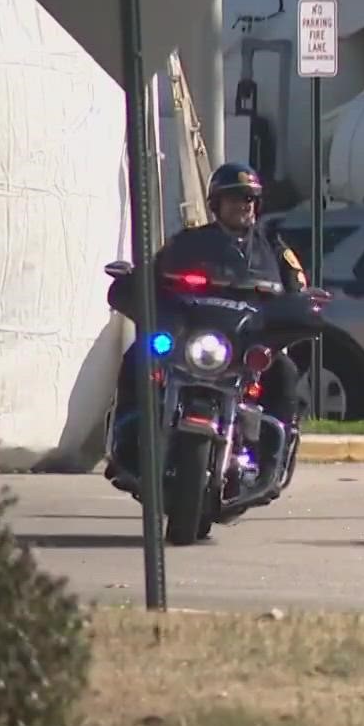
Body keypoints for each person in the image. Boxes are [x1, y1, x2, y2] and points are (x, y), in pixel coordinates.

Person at [103, 163, 307, 493]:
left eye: (250, 199)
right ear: (216, 205)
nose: (244, 206)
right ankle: (125, 443)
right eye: (234, 199)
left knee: (283, 371)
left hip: (244, 343)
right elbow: (155, 275)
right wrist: (133, 282)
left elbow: (297, 289)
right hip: (192, 340)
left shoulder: (273, 249)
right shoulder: (188, 243)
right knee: (139, 354)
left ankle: (272, 462)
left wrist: (303, 305)